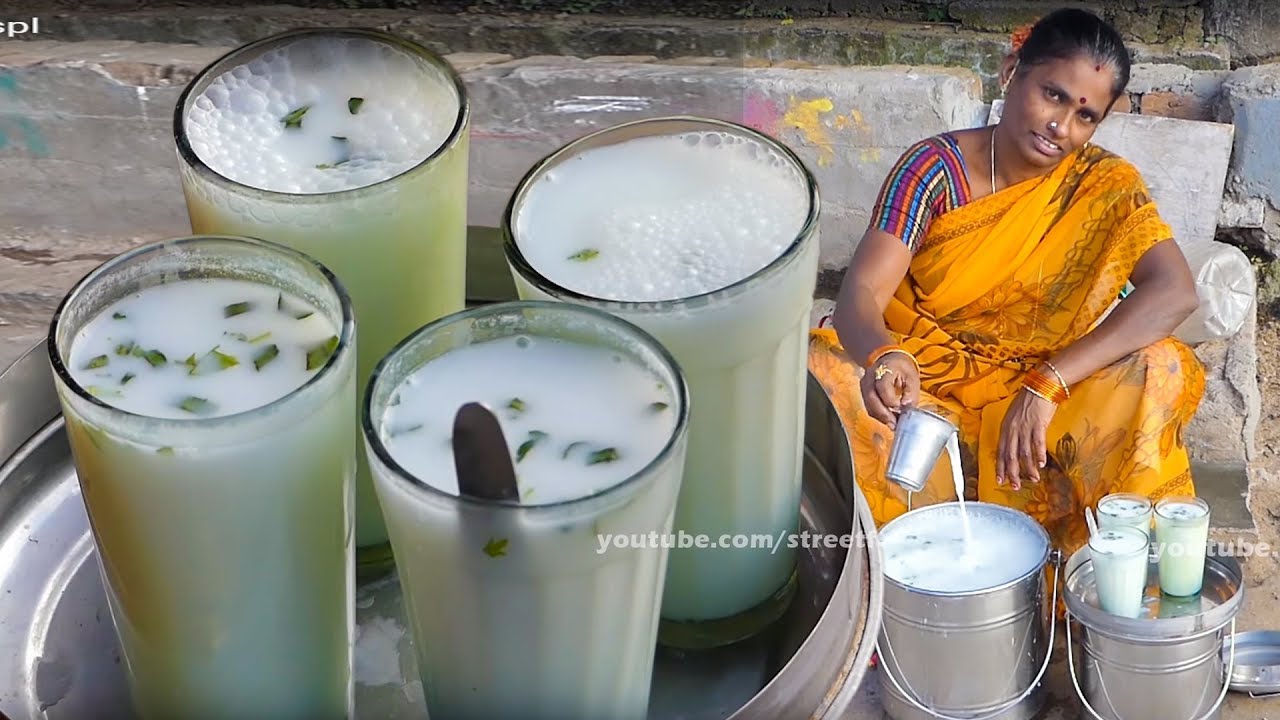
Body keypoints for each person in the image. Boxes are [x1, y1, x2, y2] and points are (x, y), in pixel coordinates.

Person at [808, 7, 1205, 559]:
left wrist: (1048, 383)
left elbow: (1175, 291)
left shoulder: (1104, 185)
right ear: (1010, 69)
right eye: (1054, 95)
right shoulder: (933, 170)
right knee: (822, 370)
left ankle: (1118, 591)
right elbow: (862, 295)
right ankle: (888, 594)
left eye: (1087, 116)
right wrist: (883, 356)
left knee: (1160, 366)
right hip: (926, 385)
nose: (1061, 126)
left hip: (1045, 393)